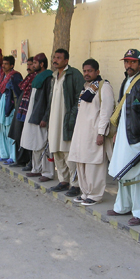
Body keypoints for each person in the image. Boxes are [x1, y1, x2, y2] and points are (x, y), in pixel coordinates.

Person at [107, 49, 140, 226]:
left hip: (138, 137)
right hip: (124, 136)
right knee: (123, 172)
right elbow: (124, 113)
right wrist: (117, 134)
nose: (129, 65)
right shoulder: (126, 81)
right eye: (126, 62)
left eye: (133, 62)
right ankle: (122, 207)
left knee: (138, 176)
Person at [68, 59, 115, 206]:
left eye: (90, 71)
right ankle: (85, 192)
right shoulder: (86, 88)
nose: (86, 74)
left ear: (97, 72)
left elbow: (106, 112)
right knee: (81, 163)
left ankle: (95, 195)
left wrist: (101, 132)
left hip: (94, 134)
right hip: (82, 133)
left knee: (94, 165)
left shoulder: (103, 87)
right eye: (85, 71)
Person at [47, 48, 84, 196]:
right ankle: (63, 181)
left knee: (68, 153)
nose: (55, 60)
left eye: (59, 58)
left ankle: (75, 184)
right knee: (56, 151)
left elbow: (79, 98)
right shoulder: (54, 76)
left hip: (67, 119)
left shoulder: (74, 75)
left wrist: (72, 115)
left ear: (66, 60)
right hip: (54, 120)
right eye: (54, 57)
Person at [20, 53, 55, 182]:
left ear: (42, 64)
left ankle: (48, 172)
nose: (33, 65)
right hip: (34, 114)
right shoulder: (37, 77)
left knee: (44, 145)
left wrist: (45, 117)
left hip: (41, 117)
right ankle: (36, 169)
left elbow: (49, 100)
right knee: (35, 143)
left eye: (35, 63)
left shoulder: (48, 78)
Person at [8, 56, 36, 167]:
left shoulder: (36, 79)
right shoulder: (28, 78)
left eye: (31, 64)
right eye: (28, 64)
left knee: (28, 137)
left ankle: (29, 161)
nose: (29, 67)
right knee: (19, 134)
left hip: (29, 112)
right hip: (21, 110)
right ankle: (20, 160)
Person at [0, 55, 23, 163]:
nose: (3, 66)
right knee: (2, 130)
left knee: (10, 131)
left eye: (6, 64)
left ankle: (13, 156)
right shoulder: (2, 76)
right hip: (2, 103)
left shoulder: (15, 76)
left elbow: (18, 92)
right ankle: (4, 154)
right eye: (3, 63)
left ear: (12, 65)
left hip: (10, 105)